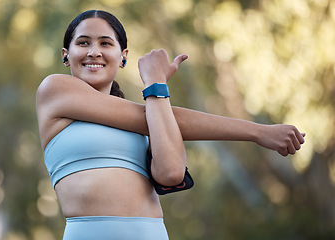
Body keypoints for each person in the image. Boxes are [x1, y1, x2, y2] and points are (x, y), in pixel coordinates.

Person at [36, 10, 305, 240]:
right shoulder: (55, 90)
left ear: (123, 56)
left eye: (105, 43)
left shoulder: (155, 114)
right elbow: (171, 118)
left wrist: (158, 87)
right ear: (65, 54)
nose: (94, 52)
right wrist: (259, 132)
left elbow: (172, 174)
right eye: (83, 43)